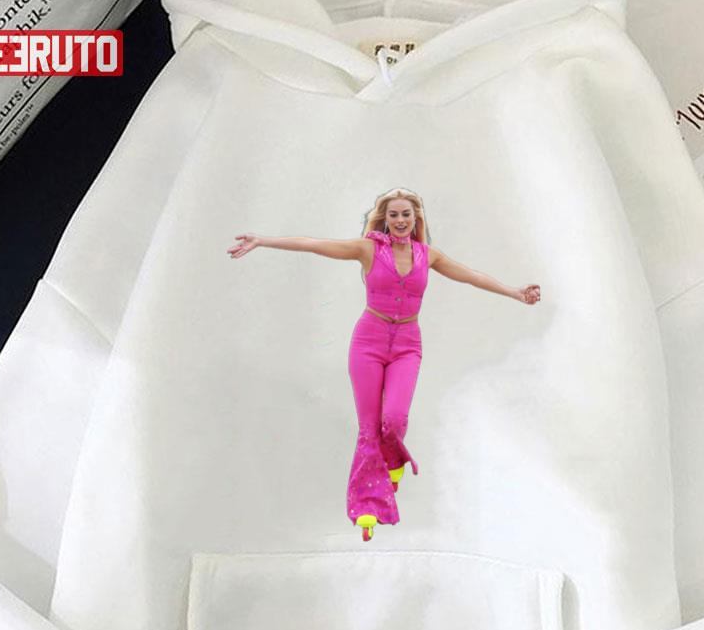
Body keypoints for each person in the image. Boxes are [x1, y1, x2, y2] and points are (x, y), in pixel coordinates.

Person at [228, 188, 541, 539]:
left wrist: (515, 292)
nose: (400, 220)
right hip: (369, 342)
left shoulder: (428, 255)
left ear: (416, 218)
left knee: (393, 420)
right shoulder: (369, 250)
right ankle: (367, 507)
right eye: (393, 215)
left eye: (406, 214)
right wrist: (263, 240)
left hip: (407, 345)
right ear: (385, 219)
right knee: (369, 427)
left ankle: (392, 462)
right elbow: (314, 244)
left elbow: (469, 275)